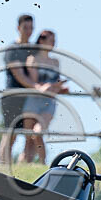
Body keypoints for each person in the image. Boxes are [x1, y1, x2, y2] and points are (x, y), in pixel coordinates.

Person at [22, 30, 68, 163]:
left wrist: (58, 87)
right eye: (51, 40)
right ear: (41, 40)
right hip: (33, 100)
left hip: (49, 102)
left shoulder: (55, 62)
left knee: (38, 133)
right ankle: (26, 164)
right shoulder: (32, 59)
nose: (53, 43)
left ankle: (43, 163)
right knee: (28, 139)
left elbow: (56, 83)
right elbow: (34, 82)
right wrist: (48, 86)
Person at [0, 14, 38, 163]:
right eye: (25, 27)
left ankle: (24, 164)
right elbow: (19, 74)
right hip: (13, 96)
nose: (28, 31)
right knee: (11, 134)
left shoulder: (34, 50)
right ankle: (4, 165)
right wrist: (38, 87)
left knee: (31, 135)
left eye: (31, 28)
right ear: (18, 28)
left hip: (30, 97)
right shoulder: (12, 49)